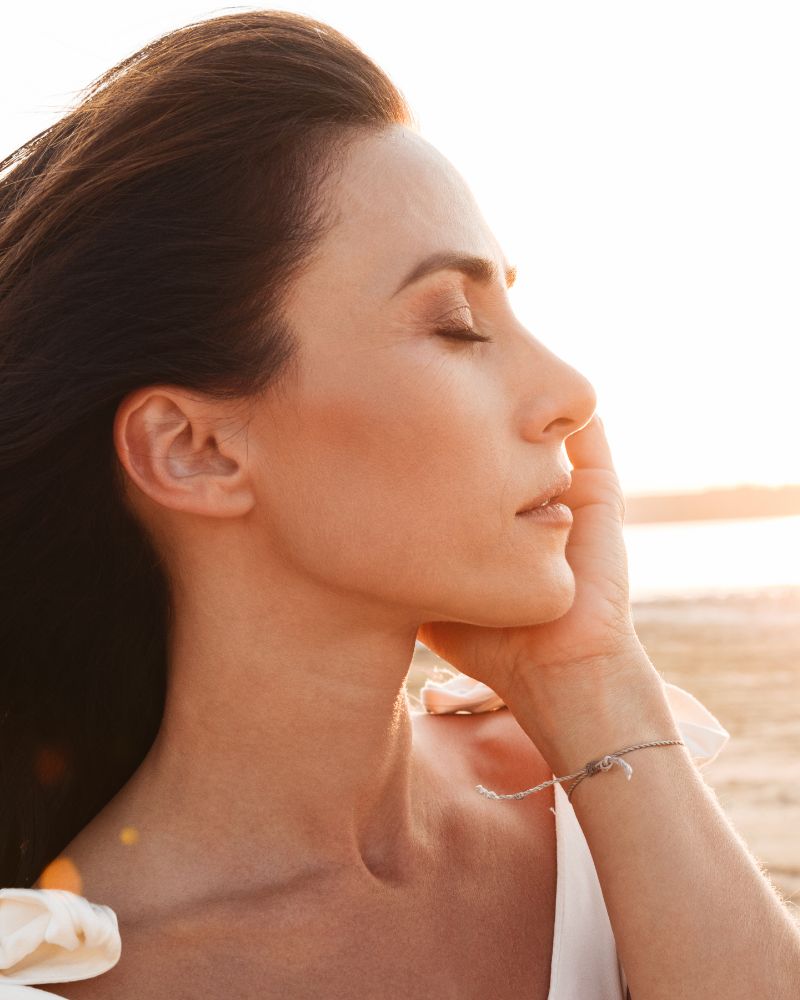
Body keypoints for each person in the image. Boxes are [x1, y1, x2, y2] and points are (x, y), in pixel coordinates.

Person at [0, 10, 798, 1000]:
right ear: (195, 450)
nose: (570, 390)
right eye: (458, 326)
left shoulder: (602, 804)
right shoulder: (69, 977)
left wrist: (596, 680)